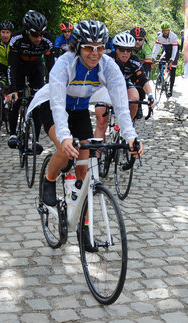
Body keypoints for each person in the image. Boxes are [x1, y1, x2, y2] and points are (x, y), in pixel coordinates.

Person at [27, 20, 143, 214]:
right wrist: (64, 137)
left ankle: (82, 219)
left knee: (84, 166)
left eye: (100, 48)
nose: (95, 53)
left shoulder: (108, 67)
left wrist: (130, 136)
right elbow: (57, 104)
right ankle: (49, 180)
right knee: (65, 151)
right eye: (89, 48)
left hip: (79, 109)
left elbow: (122, 106)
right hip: (52, 105)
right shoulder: (64, 64)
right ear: (78, 47)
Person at [6, 10, 54, 151]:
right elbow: (12, 67)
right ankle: (13, 134)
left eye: (41, 34)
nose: (39, 38)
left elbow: (52, 67)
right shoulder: (16, 39)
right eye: (35, 34)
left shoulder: (47, 40)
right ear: (27, 32)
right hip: (19, 67)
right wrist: (12, 90)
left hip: (37, 68)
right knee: (17, 99)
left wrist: (53, 87)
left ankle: (36, 139)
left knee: (38, 102)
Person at [94, 32, 155, 136]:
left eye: (129, 50)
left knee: (135, 97)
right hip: (106, 86)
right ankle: (98, 151)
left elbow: (144, 81)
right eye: (122, 49)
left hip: (124, 84)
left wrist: (150, 96)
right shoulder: (107, 60)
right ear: (116, 49)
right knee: (101, 122)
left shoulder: (134, 61)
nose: (125, 53)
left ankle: (127, 126)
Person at [152, 21, 179, 97]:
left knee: (173, 70)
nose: (165, 32)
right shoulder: (160, 37)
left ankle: (170, 88)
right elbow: (157, 47)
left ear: (169, 30)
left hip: (174, 52)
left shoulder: (173, 36)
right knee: (161, 61)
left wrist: (172, 59)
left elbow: (175, 49)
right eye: (163, 30)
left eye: (166, 30)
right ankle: (161, 79)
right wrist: (153, 57)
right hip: (166, 52)